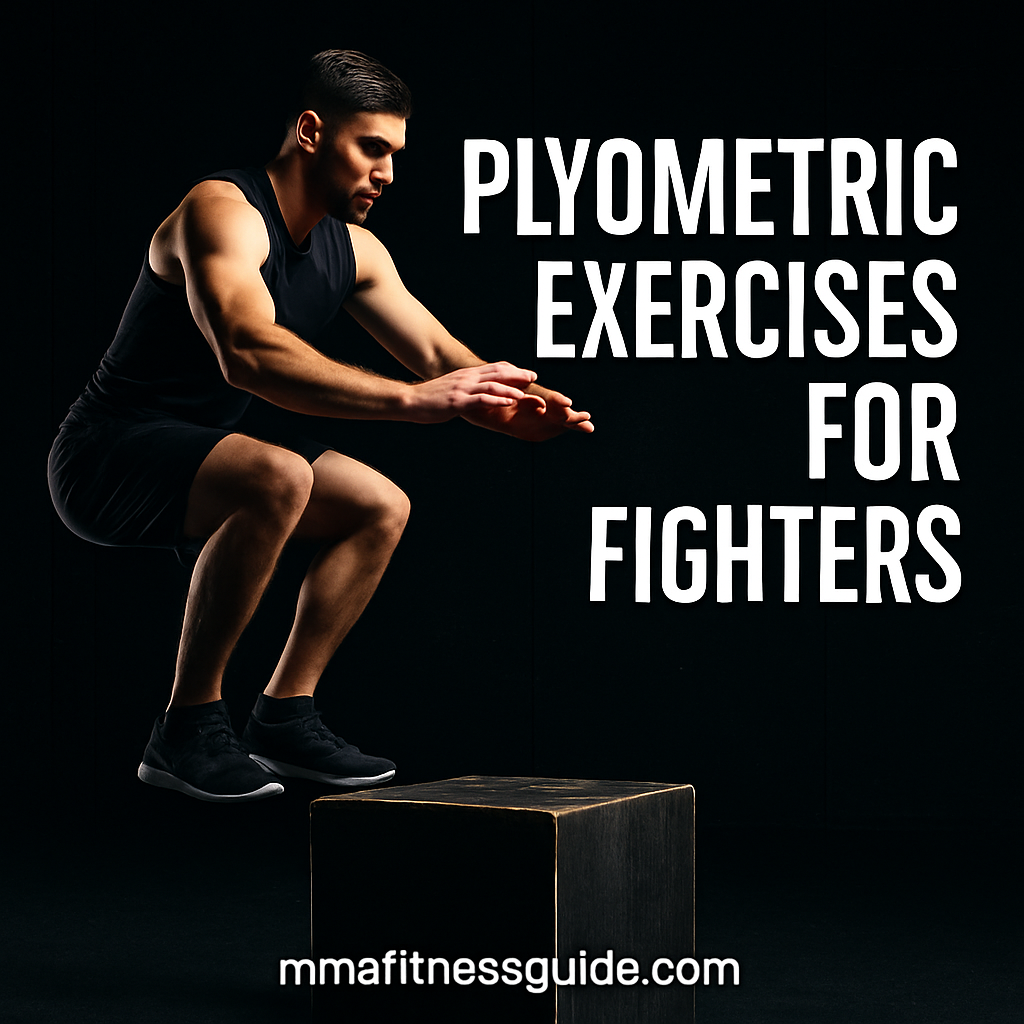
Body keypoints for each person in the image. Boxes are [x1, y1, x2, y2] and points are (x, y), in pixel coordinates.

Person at [47, 49, 592, 804]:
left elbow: (440, 357)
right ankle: (186, 728)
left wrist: (509, 403)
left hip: (209, 454)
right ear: (310, 131)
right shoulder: (222, 212)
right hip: (106, 456)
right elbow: (248, 352)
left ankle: (284, 716)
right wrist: (415, 401)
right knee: (279, 474)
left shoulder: (356, 250)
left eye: (395, 154)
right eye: (372, 148)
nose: (387, 173)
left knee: (380, 504)